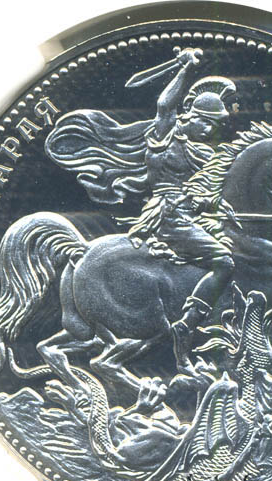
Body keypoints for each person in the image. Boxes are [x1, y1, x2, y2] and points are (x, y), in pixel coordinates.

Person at [45, 48, 238, 371]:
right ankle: (187, 324)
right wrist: (185, 70)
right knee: (224, 261)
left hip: (189, 214)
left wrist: (215, 204)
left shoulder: (200, 151)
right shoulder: (164, 137)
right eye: (207, 123)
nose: (210, 131)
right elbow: (165, 105)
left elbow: (198, 191)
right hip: (170, 218)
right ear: (191, 116)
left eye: (215, 125)